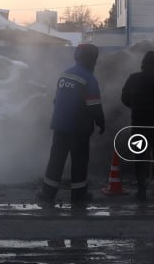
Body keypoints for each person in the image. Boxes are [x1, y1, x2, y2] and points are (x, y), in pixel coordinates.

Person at [39, 43, 105, 206]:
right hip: (78, 128)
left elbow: (57, 99)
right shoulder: (89, 78)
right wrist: (101, 122)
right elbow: (94, 106)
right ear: (91, 59)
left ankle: (47, 194)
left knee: (56, 159)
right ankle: (78, 196)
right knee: (79, 162)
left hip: (59, 125)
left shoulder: (65, 74)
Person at [120, 49, 154, 200]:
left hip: (138, 124)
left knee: (140, 158)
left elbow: (124, 98)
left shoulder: (133, 78)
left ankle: (141, 190)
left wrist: (135, 106)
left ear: (143, 64)